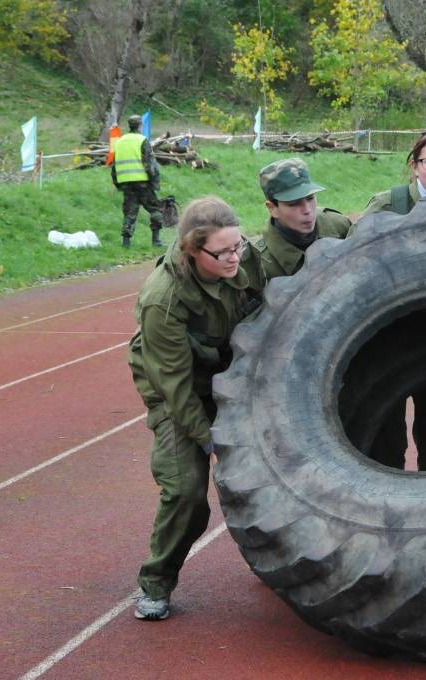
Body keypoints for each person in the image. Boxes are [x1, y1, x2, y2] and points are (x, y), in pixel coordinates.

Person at [128, 196, 263, 620]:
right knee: (186, 491)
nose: (234, 258)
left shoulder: (243, 255)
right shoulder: (163, 300)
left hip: (232, 371)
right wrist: (212, 441)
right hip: (179, 387)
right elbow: (176, 388)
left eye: (237, 246)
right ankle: (156, 582)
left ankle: (281, 561)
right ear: (192, 250)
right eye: (222, 253)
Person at [360, 128, 426, 470]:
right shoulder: (388, 205)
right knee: (387, 453)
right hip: (389, 345)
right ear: (414, 165)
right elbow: (351, 269)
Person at [254, 158, 352, 280]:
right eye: (294, 203)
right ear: (273, 208)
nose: (307, 210)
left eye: (310, 198)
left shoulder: (340, 227)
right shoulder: (258, 262)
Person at [112, 114, 164, 248]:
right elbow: (149, 164)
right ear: (140, 126)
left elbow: (114, 165)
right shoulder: (142, 140)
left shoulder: (119, 141)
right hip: (143, 182)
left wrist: (117, 183)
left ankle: (126, 243)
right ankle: (156, 241)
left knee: (129, 212)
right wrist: (154, 181)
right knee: (155, 209)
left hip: (126, 183)